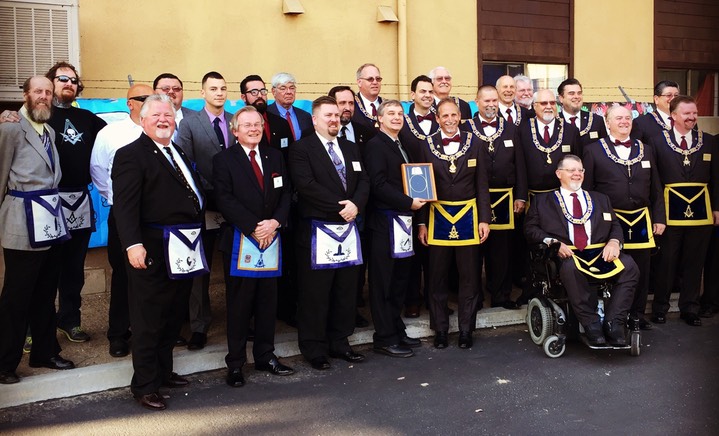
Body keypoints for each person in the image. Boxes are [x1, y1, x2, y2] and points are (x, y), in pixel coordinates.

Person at [112, 94, 205, 410]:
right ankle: (145, 385)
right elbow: (125, 206)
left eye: (169, 115)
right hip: (151, 248)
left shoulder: (174, 150)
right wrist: (132, 244)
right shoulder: (130, 155)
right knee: (149, 318)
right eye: (157, 116)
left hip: (182, 248)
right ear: (142, 119)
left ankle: (164, 371)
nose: (164, 120)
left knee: (172, 314)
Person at [0, 76, 75, 384]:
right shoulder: (10, 128)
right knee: (16, 296)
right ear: (26, 95)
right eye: (38, 91)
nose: (44, 96)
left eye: (48, 92)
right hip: (20, 222)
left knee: (46, 292)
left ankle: (45, 351)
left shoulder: (51, 131)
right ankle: (5, 362)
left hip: (50, 222)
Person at [213, 106, 294, 387]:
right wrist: (253, 226)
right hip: (240, 240)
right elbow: (224, 198)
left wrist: (274, 223)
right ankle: (235, 363)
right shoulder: (223, 160)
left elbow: (286, 193)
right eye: (246, 125)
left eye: (257, 124)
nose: (253, 129)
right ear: (235, 131)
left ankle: (265, 355)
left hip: (271, 239)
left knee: (267, 303)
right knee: (239, 306)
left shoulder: (275, 156)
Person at [289, 96, 370, 370]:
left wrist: (356, 204)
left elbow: (364, 179)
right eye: (328, 116)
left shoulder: (350, 147)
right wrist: (342, 206)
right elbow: (306, 185)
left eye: (336, 115)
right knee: (316, 292)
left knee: (345, 289)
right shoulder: (302, 149)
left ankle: (340, 341)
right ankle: (314, 348)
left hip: (347, 229)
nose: (334, 119)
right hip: (318, 230)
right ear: (314, 119)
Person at [524, 154, 639, 346]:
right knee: (570, 269)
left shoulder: (601, 199)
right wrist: (553, 243)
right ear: (559, 173)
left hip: (600, 252)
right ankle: (591, 323)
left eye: (580, 170)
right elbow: (530, 229)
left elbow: (615, 226)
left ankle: (614, 322)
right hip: (567, 253)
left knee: (630, 267)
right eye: (571, 170)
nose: (577, 174)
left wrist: (614, 242)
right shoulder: (542, 201)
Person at [417, 98, 491, 349]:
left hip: (469, 216)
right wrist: (421, 224)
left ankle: (466, 329)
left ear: (460, 116)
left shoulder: (476, 143)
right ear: (437, 119)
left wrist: (484, 219)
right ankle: (440, 329)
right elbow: (421, 186)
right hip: (436, 216)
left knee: (469, 277)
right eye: (444, 116)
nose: (449, 120)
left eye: (453, 115)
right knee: (436, 277)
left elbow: (482, 185)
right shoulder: (425, 145)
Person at [583, 105, 665, 330]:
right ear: (607, 123)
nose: (624, 121)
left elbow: (655, 187)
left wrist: (659, 218)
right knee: (613, 269)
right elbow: (588, 191)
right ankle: (613, 316)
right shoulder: (593, 150)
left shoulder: (646, 149)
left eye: (628, 117)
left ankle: (636, 315)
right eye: (618, 118)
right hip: (610, 222)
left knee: (641, 269)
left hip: (641, 219)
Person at [90, 83, 152, 358]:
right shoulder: (111, 133)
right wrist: (119, 199)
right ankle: (118, 334)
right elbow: (98, 170)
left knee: (153, 277)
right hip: (124, 215)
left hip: (154, 217)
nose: (149, 102)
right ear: (130, 103)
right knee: (124, 275)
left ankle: (148, 332)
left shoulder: (159, 130)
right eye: (143, 98)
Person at [649, 95, 719, 327]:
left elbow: (716, 179)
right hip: (670, 212)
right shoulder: (657, 141)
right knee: (667, 262)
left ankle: (690, 308)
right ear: (674, 116)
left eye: (694, 113)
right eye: (687, 113)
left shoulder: (708, 141)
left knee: (694, 262)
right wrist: (658, 215)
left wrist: (716, 207)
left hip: (702, 212)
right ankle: (660, 307)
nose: (692, 117)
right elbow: (654, 182)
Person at [176, 71, 233, 350]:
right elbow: (185, 164)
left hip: (235, 206)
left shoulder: (236, 121)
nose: (219, 93)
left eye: (223, 88)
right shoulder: (189, 123)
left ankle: (240, 320)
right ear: (203, 93)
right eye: (213, 88)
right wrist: (205, 195)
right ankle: (199, 326)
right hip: (205, 206)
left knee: (238, 265)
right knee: (201, 271)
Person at [363, 100, 425, 358]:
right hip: (384, 223)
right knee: (383, 281)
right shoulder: (375, 146)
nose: (397, 117)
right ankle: (384, 337)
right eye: (391, 113)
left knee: (400, 278)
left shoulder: (402, 145)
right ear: (379, 119)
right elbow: (377, 185)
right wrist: (408, 202)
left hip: (403, 222)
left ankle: (396, 328)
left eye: (400, 113)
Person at [461, 85, 527, 309]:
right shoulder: (465, 128)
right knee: (475, 249)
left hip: (505, 198)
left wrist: (520, 196)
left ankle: (501, 295)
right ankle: (475, 297)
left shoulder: (510, 129)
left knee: (502, 251)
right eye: (486, 101)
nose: (491, 105)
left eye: (494, 101)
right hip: (474, 198)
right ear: (476, 102)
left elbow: (520, 165)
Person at [328, 85, 375, 328]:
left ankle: (354, 306)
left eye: (351, 104)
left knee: (358, 262)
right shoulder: (311, 136)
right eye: (342, 103)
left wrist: (357, 203)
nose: (347, 108)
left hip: (360, 209)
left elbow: (366, 173)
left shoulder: (365, 132)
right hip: (330, 213)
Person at [398, 75, 440, 318]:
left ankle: (435, 299)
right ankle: (412, 299)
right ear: (412, 94)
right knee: (413, 249)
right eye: (422, 91)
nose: (427, 95)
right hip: (411, 192)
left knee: (436, 252)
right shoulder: (402, 122)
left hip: (440, 193)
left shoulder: (441, 120)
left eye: (430, 91)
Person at [240, 75, 295, 157]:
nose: (260, 95)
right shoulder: (238, 125)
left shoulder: (281, 123)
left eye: (263, 91)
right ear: (244, 97)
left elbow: (290, 155)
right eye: (254, 92)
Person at [557, 78, 607, 149]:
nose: (577, 97)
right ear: (561, 98)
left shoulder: (596, 121)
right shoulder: (554, 122)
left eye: (579, 93)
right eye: (571, 93)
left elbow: (604, 149)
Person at [267, 72, 313, 140]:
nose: (289, 92)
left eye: (292, 88)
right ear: (274, 92)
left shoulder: (305, 116)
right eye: (283, 88)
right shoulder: (266, 114)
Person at [153, 73, 194, 141]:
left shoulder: (197, 118)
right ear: (154, 92)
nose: (171, 91)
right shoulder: (146, 119)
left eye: (176, 89)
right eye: (165, 88)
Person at [352, 63, 383, 133]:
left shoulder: (387, 105)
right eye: (370, 79)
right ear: (359, 82)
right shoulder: (352, 104)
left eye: (378, 79)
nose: (375, 82)